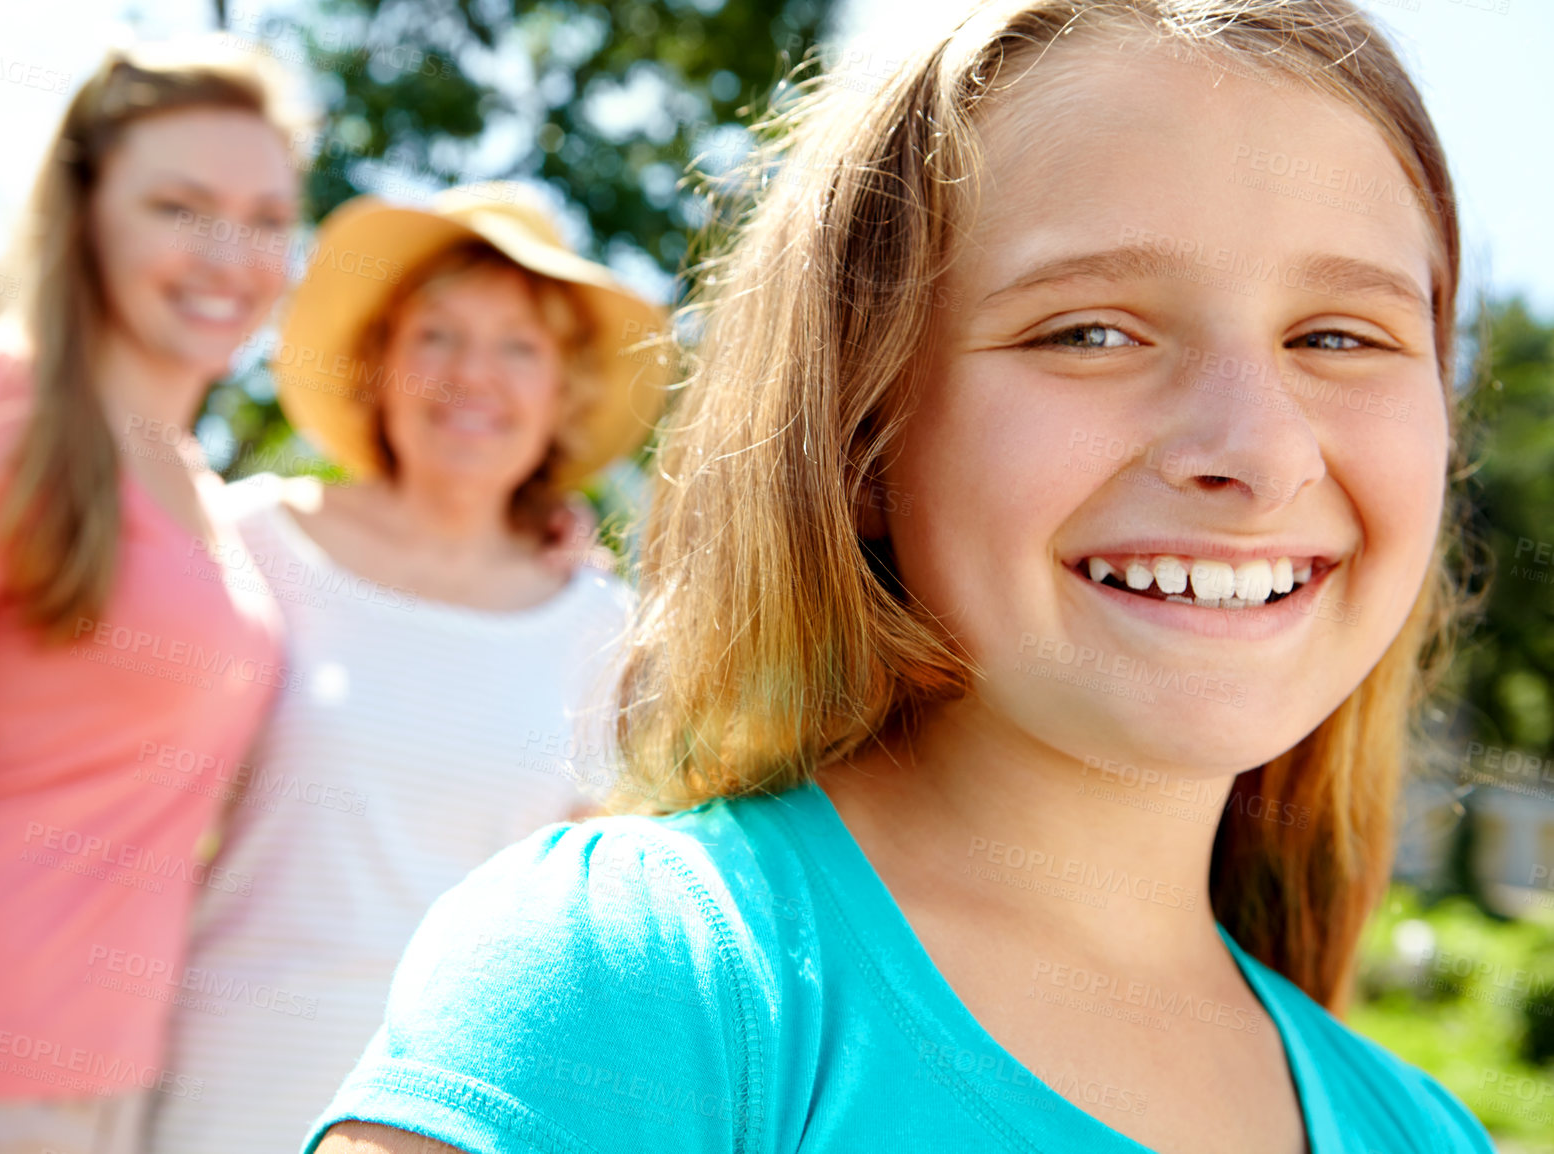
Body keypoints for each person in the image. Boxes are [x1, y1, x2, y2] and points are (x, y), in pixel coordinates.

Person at [307, 1, 1494, 1152]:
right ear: (861, 435)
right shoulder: (643, 981)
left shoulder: (1424, 1129)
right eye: (1087, 330)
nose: (1257, 450)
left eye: (1339, 336)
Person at [0, 41, 307, 1154]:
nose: (229, 254)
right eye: (179, 206)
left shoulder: (193, 486)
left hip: (108, 1089)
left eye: (267, 217)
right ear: (85, 212)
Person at [143, 182, 670, 1154]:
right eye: (436, 335)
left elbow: (587, 940)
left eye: (520, 345)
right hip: (207, 1095)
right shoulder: (249, 537)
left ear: (563, 393)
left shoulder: (608, 629)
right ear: (377, 366)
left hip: (448, 1121)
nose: (474, 373)